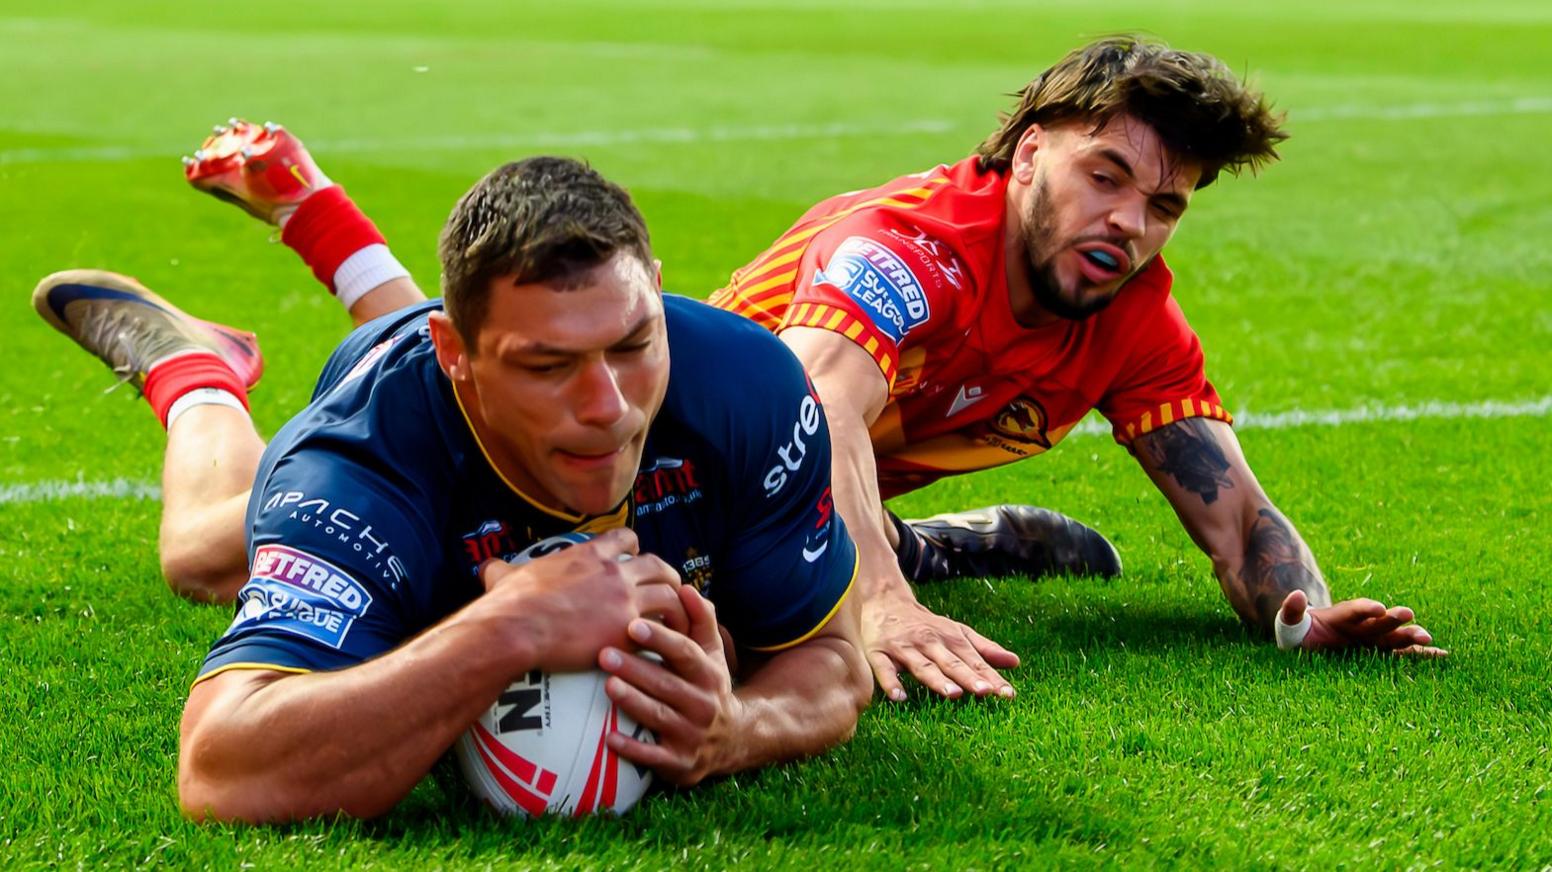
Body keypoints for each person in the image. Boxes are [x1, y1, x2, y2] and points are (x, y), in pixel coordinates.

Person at [32, 153, 871, 822]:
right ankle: (196, 375)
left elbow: (832, 662)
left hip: (461, 367)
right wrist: (510, 628)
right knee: (199, 556)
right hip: (402, 396)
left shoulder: (747, 383)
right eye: (548, 366)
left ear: (654, 288)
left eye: (631, 345)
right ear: (456, 352)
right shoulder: (356, 466)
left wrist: (738, 730)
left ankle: (336, 229)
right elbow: (222, 767)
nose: (609, 408)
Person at [708, 34, 1446, 704]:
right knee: (724, 625)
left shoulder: (1132, 317)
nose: (1130, 222)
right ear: (1029, 155)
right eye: (1105, 177)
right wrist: (882, 599)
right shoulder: (905, 247)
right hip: (679, 480)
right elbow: (816, 408)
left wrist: (1302, 618)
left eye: (1164, 206)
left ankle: (920, 546)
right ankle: (921, 552)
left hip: (780, 516)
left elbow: (1240, 520)